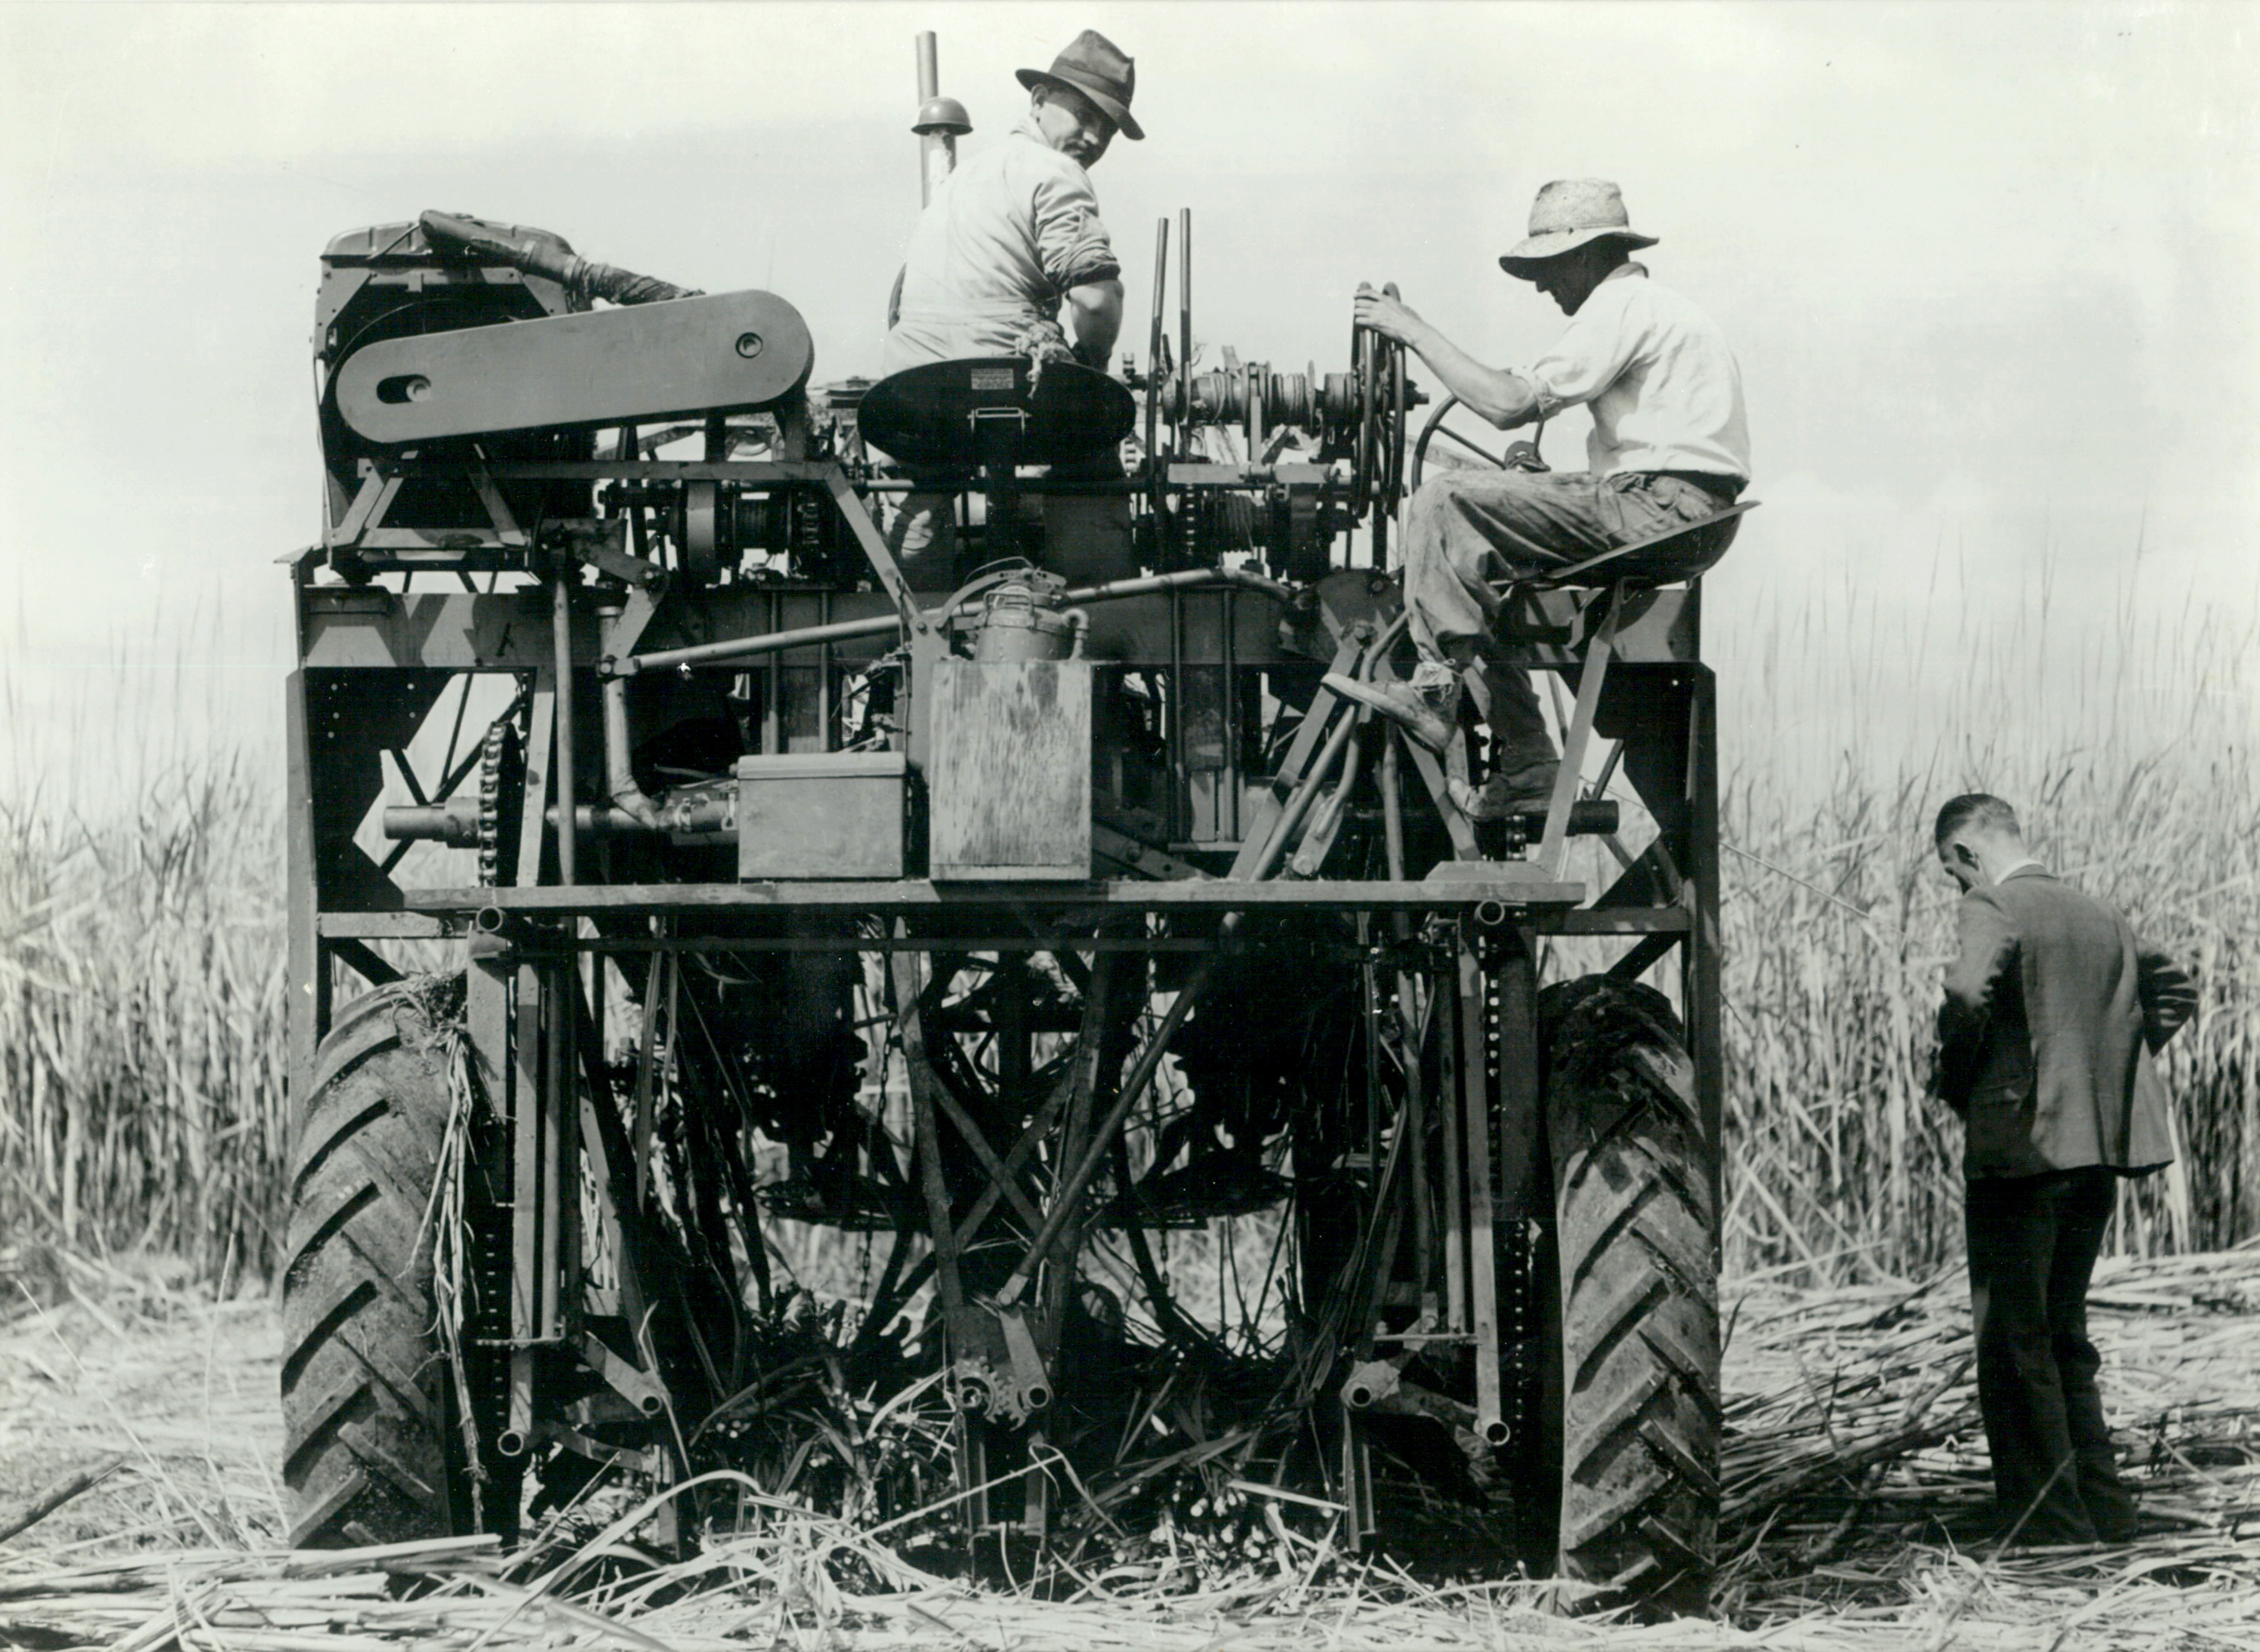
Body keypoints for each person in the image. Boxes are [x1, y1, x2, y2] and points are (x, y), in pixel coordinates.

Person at [1328, 179, 1749, 817]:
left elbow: (1510, 403)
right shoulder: (1665, 311)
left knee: (1443, 502)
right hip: (1685, 512)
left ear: (1585, 255)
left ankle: (1436, 691)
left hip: (1661, 508)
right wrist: (1530, 480)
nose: (1541, 287)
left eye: (1547, 270)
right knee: (1490, 570)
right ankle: (1529, 764)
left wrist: (1412, 331)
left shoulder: (1623, 305)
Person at [1930, 794, 2197, 1545]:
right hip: (2098, 1155)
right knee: (2064, 1336)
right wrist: (2107, 1071)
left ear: (1968, 855)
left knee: (2015, 1345)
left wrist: (1958, 1077)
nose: (1957, 889)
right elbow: (2174, 990)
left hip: (2024, 1155)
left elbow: (1964, 993)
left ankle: (2052, 1534)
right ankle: (2105, 1513)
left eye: (1952, 873)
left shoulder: (1994, 901)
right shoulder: (2100, 911)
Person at [878, 30, 1139, 588]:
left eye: (1109, 127)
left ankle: (913, 617)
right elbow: (1094, 298)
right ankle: (1106, 616)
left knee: (923, 484)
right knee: (1091, 444)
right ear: (1039, 100)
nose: (1095, 136)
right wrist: (1090, 368)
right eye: (1084, 114)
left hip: (912, 384)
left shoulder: (960, 178)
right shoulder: (1055, 172)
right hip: (999, 370)